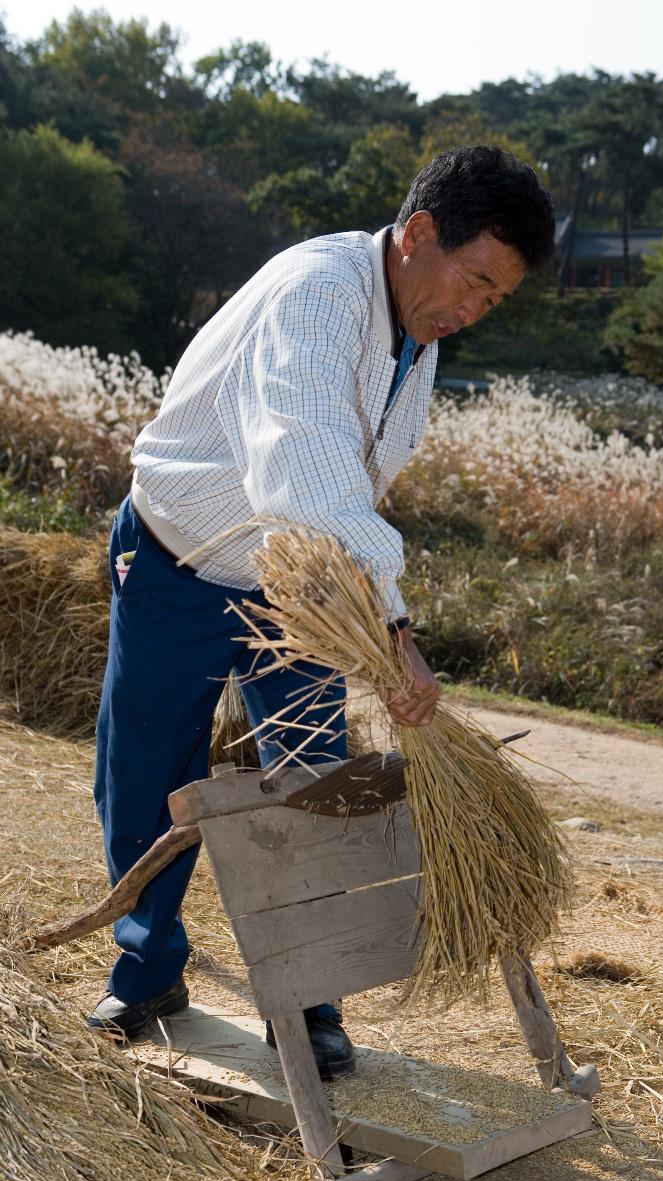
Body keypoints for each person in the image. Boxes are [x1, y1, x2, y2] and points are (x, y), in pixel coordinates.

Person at [89, 145, 555, 1078]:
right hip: (182, 560)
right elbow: (304, 472)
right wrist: (394, 631)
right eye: (471, 281)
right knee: (149, 773)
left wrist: (364, 610)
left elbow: (347, 487)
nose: (469, 310)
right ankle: (147, 971)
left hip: (299, 586)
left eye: (492, 300)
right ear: (418, 234)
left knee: (312, 773)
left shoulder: (412, 339)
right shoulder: (317, 293)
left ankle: (308, 1002)